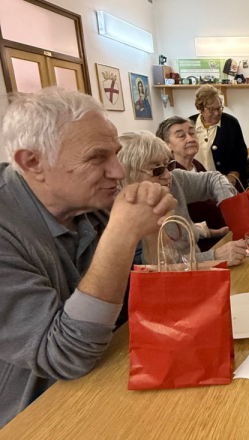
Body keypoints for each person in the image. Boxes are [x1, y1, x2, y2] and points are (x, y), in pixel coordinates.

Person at [0, 88, 177, 428]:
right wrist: (123, 233)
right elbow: (65, 355)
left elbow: (152, 307)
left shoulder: (87, 202)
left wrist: (153, 233)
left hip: (104, 378)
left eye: (117, 154)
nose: (117, 171)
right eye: (98, 158)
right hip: (37, 419)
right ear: (32, 162)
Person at [117, 131, 247, 266]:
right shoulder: (124, 214)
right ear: (127, 175)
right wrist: (214, 256)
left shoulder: (175, 180)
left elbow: (213, 179)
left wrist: (230, 206)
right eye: (157, 170)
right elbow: (158, 268)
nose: (168, 176)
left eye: (169, 165)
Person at [156, 116, 228, 252]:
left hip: (222, 236)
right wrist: (214, 233)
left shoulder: (197, 165)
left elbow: (215, 181)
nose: (190, 138)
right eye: (181, 136)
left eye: (192, 133)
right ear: (166, 144)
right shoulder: (169, 177)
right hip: (201, 246)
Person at [189, 85, 248, 186]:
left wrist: (233, 176)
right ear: (200, 108)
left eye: (219, 108)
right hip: (197, 183)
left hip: (225, 184)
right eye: (211, 109)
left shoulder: (230, 123)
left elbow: (241, 155)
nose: (216, 113)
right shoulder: (190, 124)